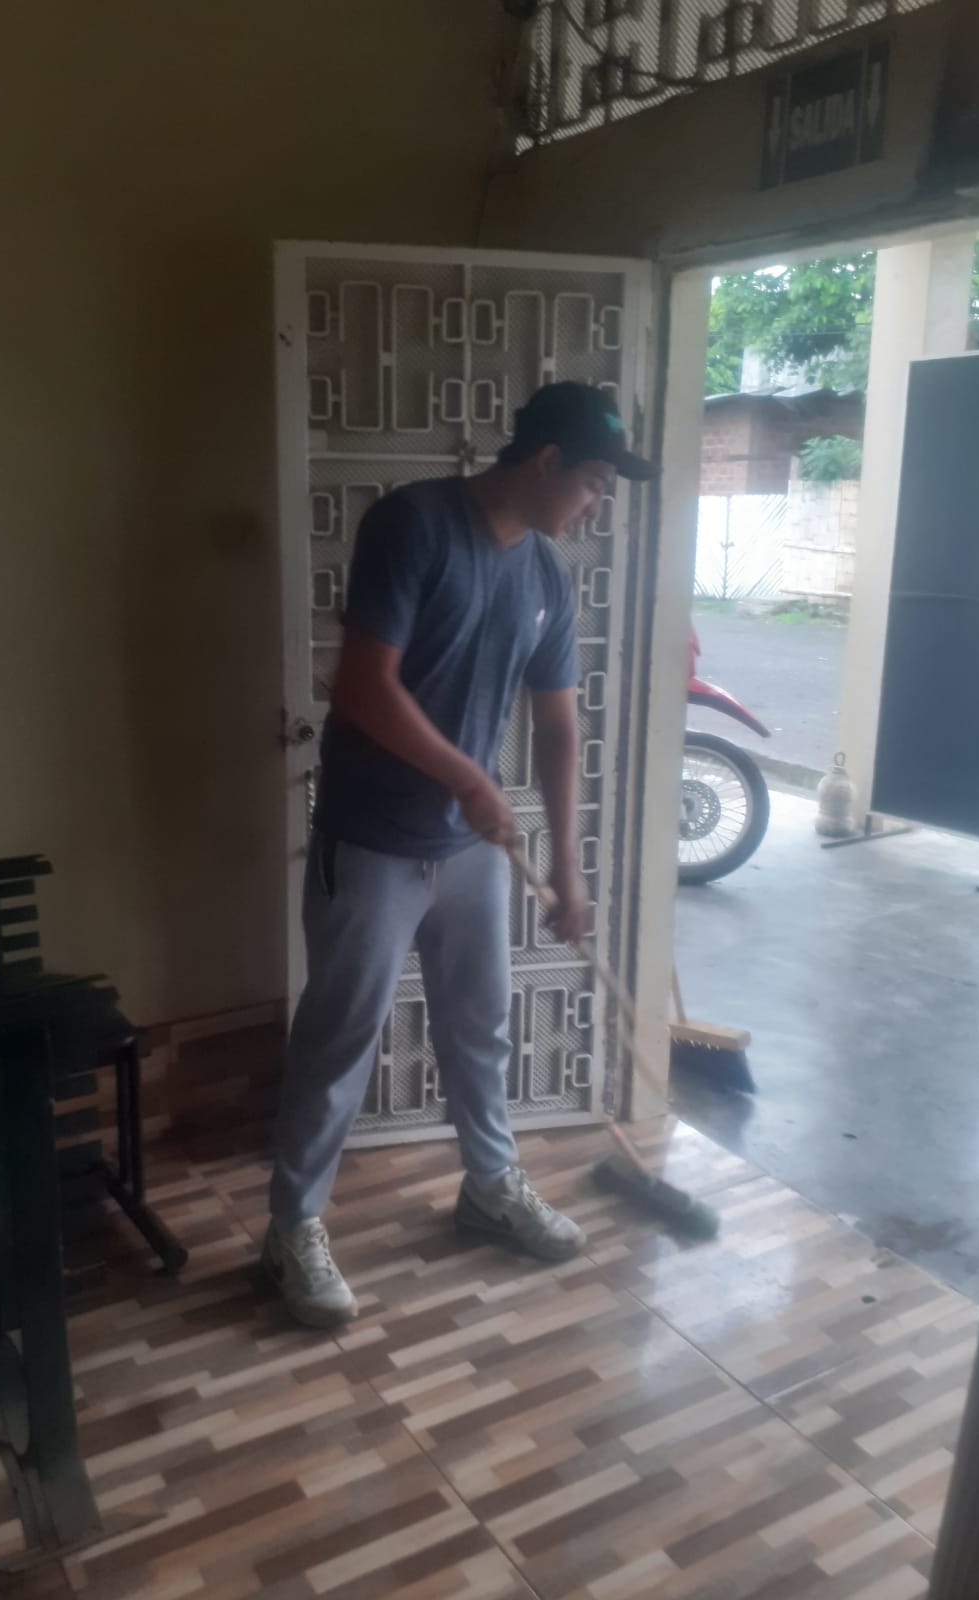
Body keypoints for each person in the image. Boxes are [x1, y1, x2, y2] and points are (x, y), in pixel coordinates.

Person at [265, 381, 653, 1327]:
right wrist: (469, 778)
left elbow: (557, 727)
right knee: (340, 1038)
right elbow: (364, 686)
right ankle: (292, 1227)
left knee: (481, 1026)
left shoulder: (546, 575)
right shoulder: (415, 524)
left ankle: (489, 1185)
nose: (595, 506)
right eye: (593, 483)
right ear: (546, 461)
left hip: (470, 852)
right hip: (374, 840)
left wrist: (569, 868)